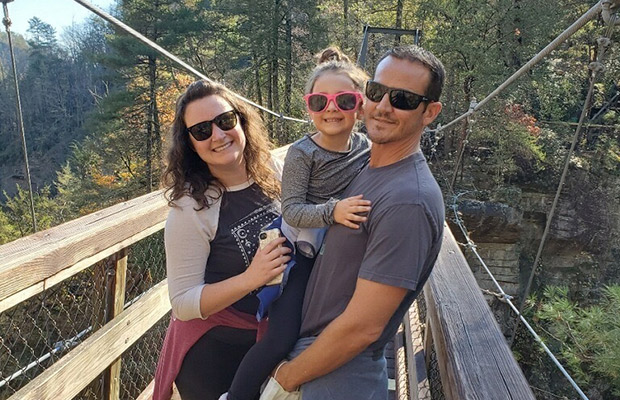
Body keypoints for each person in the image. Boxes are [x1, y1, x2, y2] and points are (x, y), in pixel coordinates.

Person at [272, 45, 446, 400]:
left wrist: (288, 376)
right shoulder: (367, 164)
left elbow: (363, 328)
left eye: (403, 99)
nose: (383, 106)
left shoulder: (408, 201)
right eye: (377, 92)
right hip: (315, 354)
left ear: (430, 112)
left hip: (336, 370)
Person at [223, 47, 371, 400]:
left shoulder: (367, 147)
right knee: (282, 335)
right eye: (319, 102)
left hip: (339, 257)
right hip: (299, 254)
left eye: (345, 100)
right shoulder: (303, 153)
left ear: (360, 107)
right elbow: (291, 210)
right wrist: (333, 211)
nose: (331, 108)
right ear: (309, 108)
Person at [152, 80, 292, 400]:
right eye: (201, 131)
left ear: (241, 121)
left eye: (225, 121)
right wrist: (251, 279)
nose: (217, 135)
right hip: (214, 354)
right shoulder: (191, 208)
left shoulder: (274, 170)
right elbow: (183, 303)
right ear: (190, 144)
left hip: (271, 339)